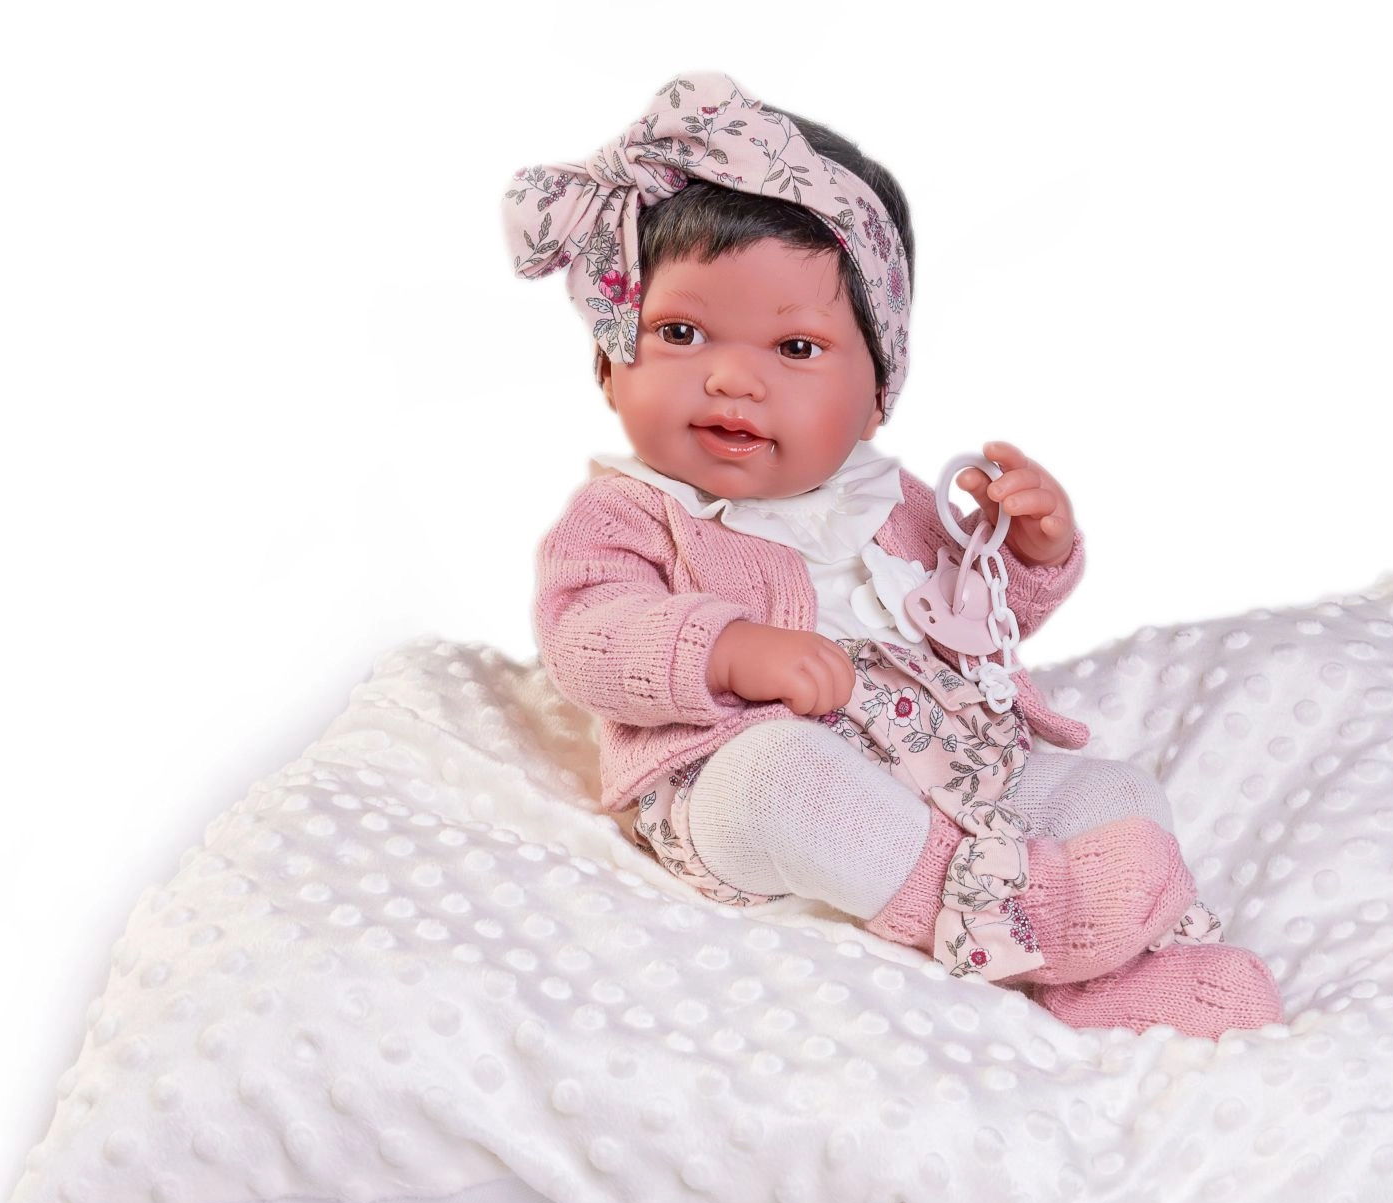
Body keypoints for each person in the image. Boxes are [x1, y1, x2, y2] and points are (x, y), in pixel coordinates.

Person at [503, 71, 1283, 1039]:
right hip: (732, 778)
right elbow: (584, 634)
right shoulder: (628, 513)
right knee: (782, 779)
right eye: (681, 333)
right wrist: (725, 649)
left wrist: (1027, 553)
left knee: (1116, 791)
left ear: (878, 395)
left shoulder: (887, 499)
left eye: (795, 348)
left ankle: (1109, 978)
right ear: (610, 364)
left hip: (958, 768)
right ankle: (993, 915)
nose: (733, 377)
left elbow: (972, 627)